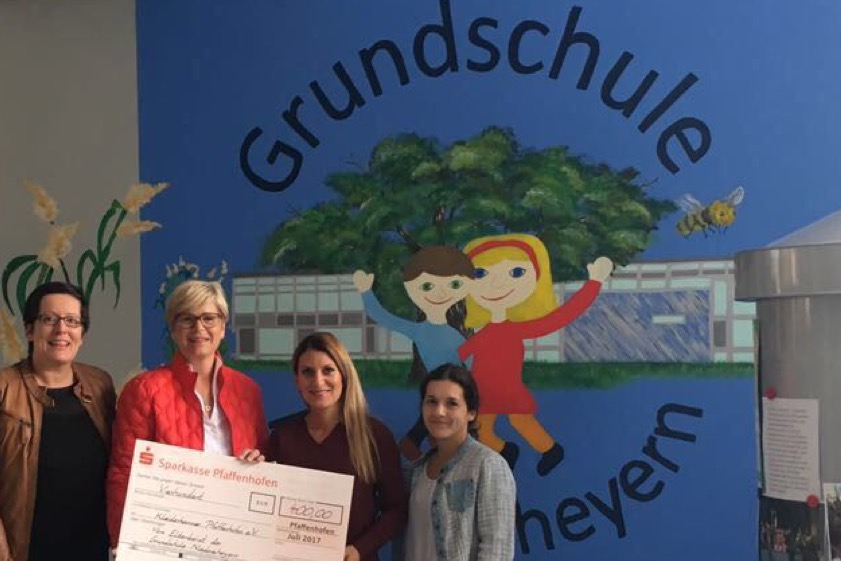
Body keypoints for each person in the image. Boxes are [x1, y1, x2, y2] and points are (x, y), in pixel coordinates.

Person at [106, 280, 268, 549]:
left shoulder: (248, 391)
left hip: (234, 537)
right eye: (187, 319)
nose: (199, 328)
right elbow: (124, 472)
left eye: (209, 318)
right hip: (166, 538)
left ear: (223, 327)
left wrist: (259, 463)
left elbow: (265, 461)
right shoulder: (144, 389)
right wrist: (122, 544)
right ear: (173, 329)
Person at [459, 232, 613, 475]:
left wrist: (593, 283)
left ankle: (550, 450)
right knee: (480, 428)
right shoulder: (484, 332)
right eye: (480, 274)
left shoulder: (516, 329)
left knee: (520, 420)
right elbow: (462, 351)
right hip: (483, 391)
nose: (496, 284)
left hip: (508, 388)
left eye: (516, 272)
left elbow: (562, 316)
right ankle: (506, 450)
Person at [0, 282, 116, 561]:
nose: (61, 329)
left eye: (72, 321)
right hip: (26, 552)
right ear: (30, 330)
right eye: (49, 319)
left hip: (93, 551)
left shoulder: (100, 384)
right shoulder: (4, 389)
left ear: (82, 334)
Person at [269, 331, 408, 561]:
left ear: (343, 374)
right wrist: (250, 468)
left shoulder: (375, 435)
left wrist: (360, 549)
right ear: (297, 381)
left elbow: (397, 509)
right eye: (307, 372)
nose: (318, 381)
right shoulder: (281, 437)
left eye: (328, 370)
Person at [353, 245, 474, 460]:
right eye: (427, 286)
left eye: (453, 285)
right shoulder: (419, 330)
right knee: (422, 437)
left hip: (451, 398)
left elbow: (472, 365)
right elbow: (383, 317)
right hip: (436, 395)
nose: (440, 293)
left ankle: (432, 461)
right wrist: (365, 292)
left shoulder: (456, 337)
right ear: (410, 288)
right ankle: (425, 463)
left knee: (439, 436)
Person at [403, 364, 516, 561]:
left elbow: (497, 550)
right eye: (431, 401)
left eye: (452, 403)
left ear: (471, 412)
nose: (439, 411)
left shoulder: (488, 465)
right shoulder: (414, 471)